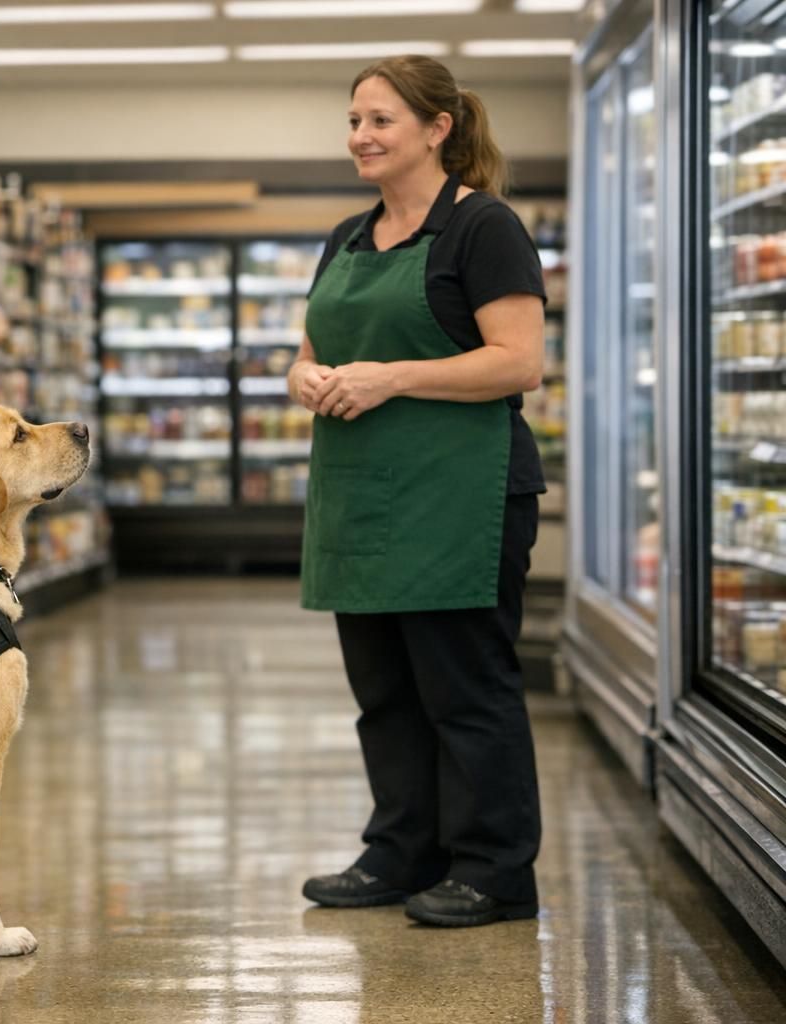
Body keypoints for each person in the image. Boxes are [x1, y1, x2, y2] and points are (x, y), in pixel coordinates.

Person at [288, 55, 547, 928]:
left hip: (460, 498)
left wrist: (391, 378)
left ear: (438, 129)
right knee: (387, 693)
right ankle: (402, 850)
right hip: (363, 497)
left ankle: (495, 870)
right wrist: (304, 377)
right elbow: (312, 348)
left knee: (466, 691)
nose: (360, 136)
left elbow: (520, 362)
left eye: (380, 120)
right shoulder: (348, 238)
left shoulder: (485, 229)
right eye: (354, 120)